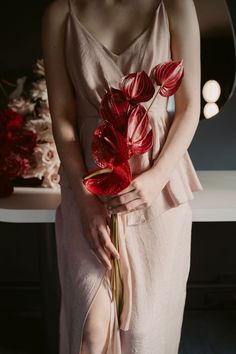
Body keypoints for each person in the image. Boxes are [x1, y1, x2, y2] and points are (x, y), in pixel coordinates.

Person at [41, 0, 203, 353]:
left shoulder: (175, 6)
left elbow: (190, 107)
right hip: (89, 185)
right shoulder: (60, 14)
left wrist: (157, 176)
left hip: (156, 187)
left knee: (144, 334)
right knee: (91, 329)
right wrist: (86, 203)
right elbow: (63, 117)